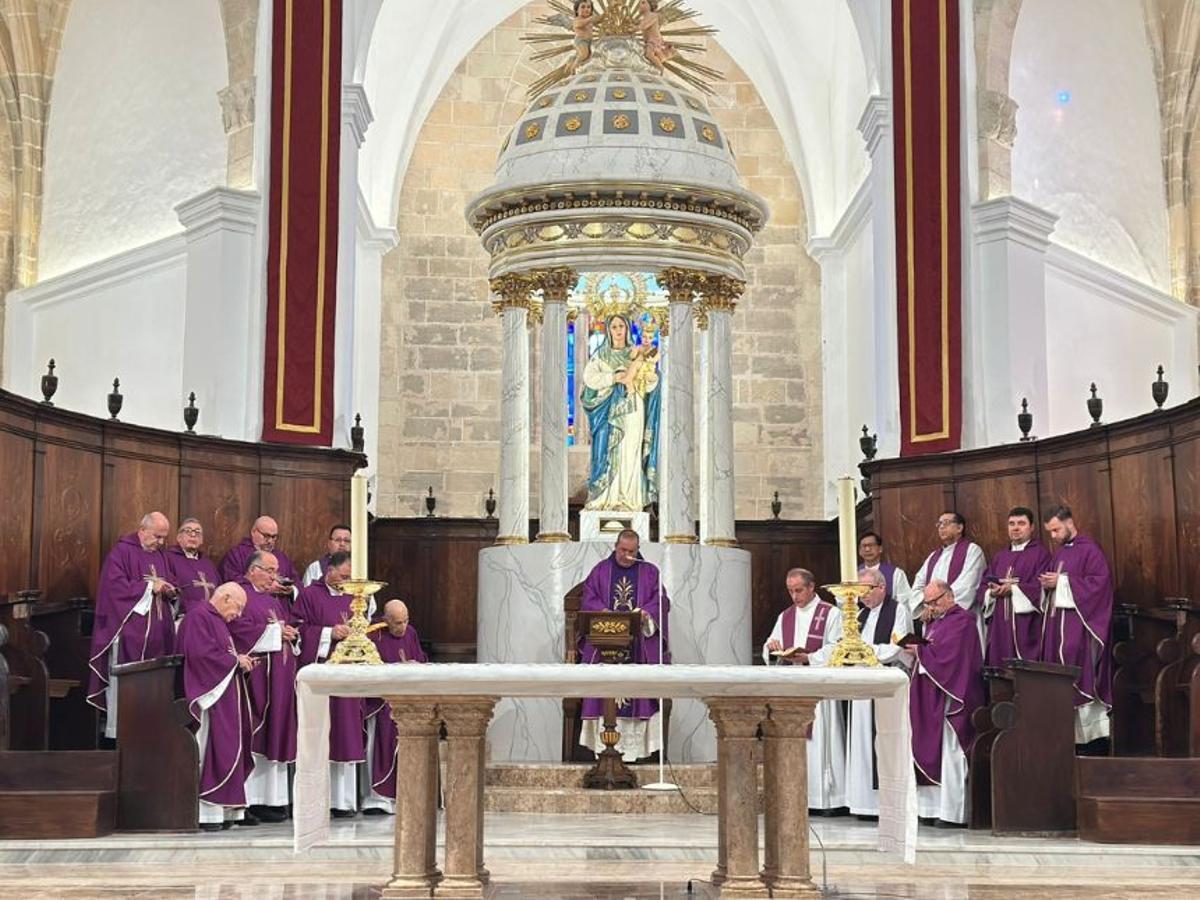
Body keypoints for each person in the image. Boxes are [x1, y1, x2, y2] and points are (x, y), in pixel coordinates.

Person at [578, 530, 669, 762]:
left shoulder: (650, 572)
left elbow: (662, 601)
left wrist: (647, 613)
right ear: (615, 546)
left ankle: (638, 752)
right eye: (623, 551)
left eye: (631, 552)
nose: (627, 556)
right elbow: (588, 598)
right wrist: (604, 613)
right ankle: (603, 748)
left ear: (637, 550)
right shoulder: (600, 570)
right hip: (604, 644)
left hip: (638, 646)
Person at [87, 511, 177, 739]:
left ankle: (152, 731)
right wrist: (148, 588)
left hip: (158, 635)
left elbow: (166, 583)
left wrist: (169, 590)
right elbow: (113, 589)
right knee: (127, 683)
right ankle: (121, 733)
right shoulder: (121, 552)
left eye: (164, 537)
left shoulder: (161, 556)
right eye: (157, 536)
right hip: (129, 634)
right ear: (143, 529)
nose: (161, 542)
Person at [763, 568, 846, 813]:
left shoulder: (831, 614)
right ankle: (800, 798)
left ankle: (828, 800)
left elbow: (838, 648)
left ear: (812, 587)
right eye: (790, 591)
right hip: (793, 688)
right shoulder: (785, 616)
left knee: (822, 742)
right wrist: (772, 647)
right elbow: (771, 645)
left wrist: (809, 657)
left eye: (799, 590)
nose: (795, 596)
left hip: (819, 688)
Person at [176, 581, 257, 831]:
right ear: (225, 598)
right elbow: (200, 655)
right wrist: (235, 661)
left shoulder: (217, 620)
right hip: (210, 699)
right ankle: (207, 812)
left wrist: (239, 662)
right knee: (213, 749)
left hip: (224, 697)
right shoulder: (199, 617)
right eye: (239, 607)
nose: (239, 615)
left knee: (227, 748)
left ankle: (222, 811)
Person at [292, 551, 367, 817]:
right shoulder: (309, 595)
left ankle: (344, 802)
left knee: (345, 734)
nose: (346, 581)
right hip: (321, 674)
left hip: (347, 675)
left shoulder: (355, 598)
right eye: (343, 576)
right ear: (329, 571)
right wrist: (328, 633)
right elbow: (298, 630)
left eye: (350, 577)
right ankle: (316, 801)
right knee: (320, 734)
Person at [904, 580, 984, 827]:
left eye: (935, 601)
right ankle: (930, 810)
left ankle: (953, 812)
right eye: (928, 603)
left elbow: (950, 657)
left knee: (951, 751)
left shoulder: (963, 620)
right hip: (933, 693)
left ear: (950, 596)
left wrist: (921, 651)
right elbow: (933, 648)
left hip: (954, 696)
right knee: (931, 746)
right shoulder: (937, 621)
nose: (932, 607)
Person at [227, 550, 299, 823]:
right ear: (252, 570)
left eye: (275, 571)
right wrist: (275, 633)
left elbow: (284, 627)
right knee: (256, 734)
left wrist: (291, 633)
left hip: (279, 680)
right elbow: (236, 628)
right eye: (269, 570)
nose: (274, 576)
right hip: (257, 679)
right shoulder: (240, 594)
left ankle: (272, 800)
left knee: (276, 734)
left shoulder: (272, 600)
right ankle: (248, 800)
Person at [1038, 506, 1114, 747]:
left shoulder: (1090, 550)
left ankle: (1093, 744)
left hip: (1079, 628)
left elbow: (1099, 585)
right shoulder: (1060, 553)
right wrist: (1048, 585)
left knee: (1079, 675)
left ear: (1069, 522)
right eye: (1050, 532)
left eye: (1056, 530)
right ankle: (1069, 741)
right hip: (1058, 626)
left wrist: (1061, 582)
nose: (1053, 536)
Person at [845, 569, 913, 820]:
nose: (863, 596)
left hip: (886, 684)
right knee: (862, 742)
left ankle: (888, 803)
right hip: (861, 686)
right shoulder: (859, 615)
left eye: (867, 590)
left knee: (885, 741)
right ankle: (863, 803)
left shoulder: (898, 611)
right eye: (860, 591)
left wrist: (864, 650)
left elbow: (898, 646)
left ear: (882, 587)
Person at [581, 314, 661, 511]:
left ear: (627, 329)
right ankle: (604, 498)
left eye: (622, 326)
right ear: (608, 330)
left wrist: (650, 377)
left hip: (633, 408)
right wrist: (613, 377)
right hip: (607, 411)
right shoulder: (600, 356)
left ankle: (629, 498)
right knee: (605, 449)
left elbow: (650, 386)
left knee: (630, 450)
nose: (618, 330)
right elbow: (589, 379)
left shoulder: (636, 353)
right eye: (614, 326)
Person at [363, 599, 428, 816]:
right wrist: (398, 668)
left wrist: (417, 667)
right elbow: (367, 669)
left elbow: (419, 658)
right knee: (380, 745)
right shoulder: (374, 635)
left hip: (407, 702)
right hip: (382, 703)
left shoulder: (410, 633)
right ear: (386, 620)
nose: (403, 627)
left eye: (406, 621)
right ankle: (379, 798)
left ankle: (405, 795)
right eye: (398, 623)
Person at [977, 507, 1052, 666]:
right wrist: (991, 592)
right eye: (1011, 524)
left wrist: (1014, 590)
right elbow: (983, 586)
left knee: (1025, 673)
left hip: (1027, 625)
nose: (1015, 528)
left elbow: (1042, 587)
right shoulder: (1000, 556)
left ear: (1031, 528)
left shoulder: (1040, 554)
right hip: (999, 626)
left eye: (1021, 523)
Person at [907, 511, 987, 644]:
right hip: (932, 620)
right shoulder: (933, 556)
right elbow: (918, 585)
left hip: (961, 620)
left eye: (946, 523)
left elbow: (967, 586)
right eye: (939, 524)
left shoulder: (972, 551)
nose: (941, 527)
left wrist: (934, 608)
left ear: (960, 528)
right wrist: (927, 607)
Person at [219, 516, 300, 594]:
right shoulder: (236, 555)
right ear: (253, 532)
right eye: (266, 536)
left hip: (280, 605)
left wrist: (290, 589)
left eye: (274, 537)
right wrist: (262, 586)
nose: (270, 541)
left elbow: (297, 582)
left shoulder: (282, 558)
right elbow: (230, 581)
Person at [167, 518, 222, 620]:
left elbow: (220, 589)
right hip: (185, 617)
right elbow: (171, 590)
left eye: (197, 532)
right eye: (188, 531)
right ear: (179, 538)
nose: (193, 535)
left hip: (211, 618)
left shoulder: (208, 564)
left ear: (201, 540)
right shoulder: (169, 558)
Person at [857, 531, 911, 604]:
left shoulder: (895, 574)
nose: (867, 549)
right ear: (859, 551)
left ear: (880, 549)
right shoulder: (853, 574)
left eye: (871, 545)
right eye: (864, 546)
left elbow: (905, 601)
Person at [638, 0, 676, 69]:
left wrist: (633, 28)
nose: (639, 5)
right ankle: (659, 62)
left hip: (654, 39)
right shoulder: (645, 17)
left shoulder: (652, 16)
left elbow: (643, 26)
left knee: (649, 54)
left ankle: (660, 67)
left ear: (649, 5)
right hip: (650, 40)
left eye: (643, 2)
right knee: (648, 54)